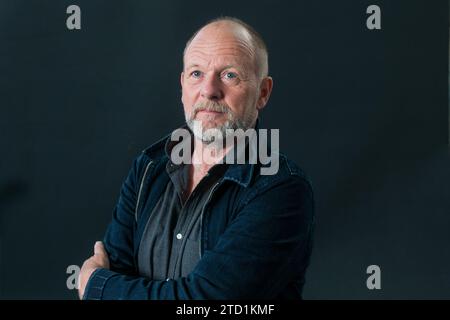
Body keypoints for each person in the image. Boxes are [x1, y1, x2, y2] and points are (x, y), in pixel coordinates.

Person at [78, 16, 314, 300]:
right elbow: (116, 266)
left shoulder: (280, 188)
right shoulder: (148, 167)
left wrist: (97, 286)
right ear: (182, 86)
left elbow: (204, 302)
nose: (209, 90)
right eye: (196, 73)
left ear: (262, 93)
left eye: (229, 75)